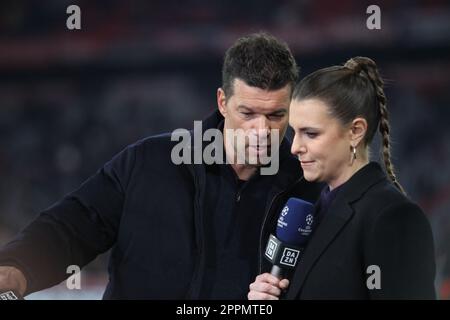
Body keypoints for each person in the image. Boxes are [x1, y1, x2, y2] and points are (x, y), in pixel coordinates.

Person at [0, 33, 321, 299]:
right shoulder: (149, 162)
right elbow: (72, 226)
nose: (262, 131)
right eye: (248, 113)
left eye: (276, 116)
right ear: (222, 102)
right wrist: (17, 268)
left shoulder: (307, 184)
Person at [248, 56, 436, 300]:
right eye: (295, 133)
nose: (294, 147)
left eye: (311, 134)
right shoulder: (309, 214)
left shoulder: (391, 216)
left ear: (355, 131)